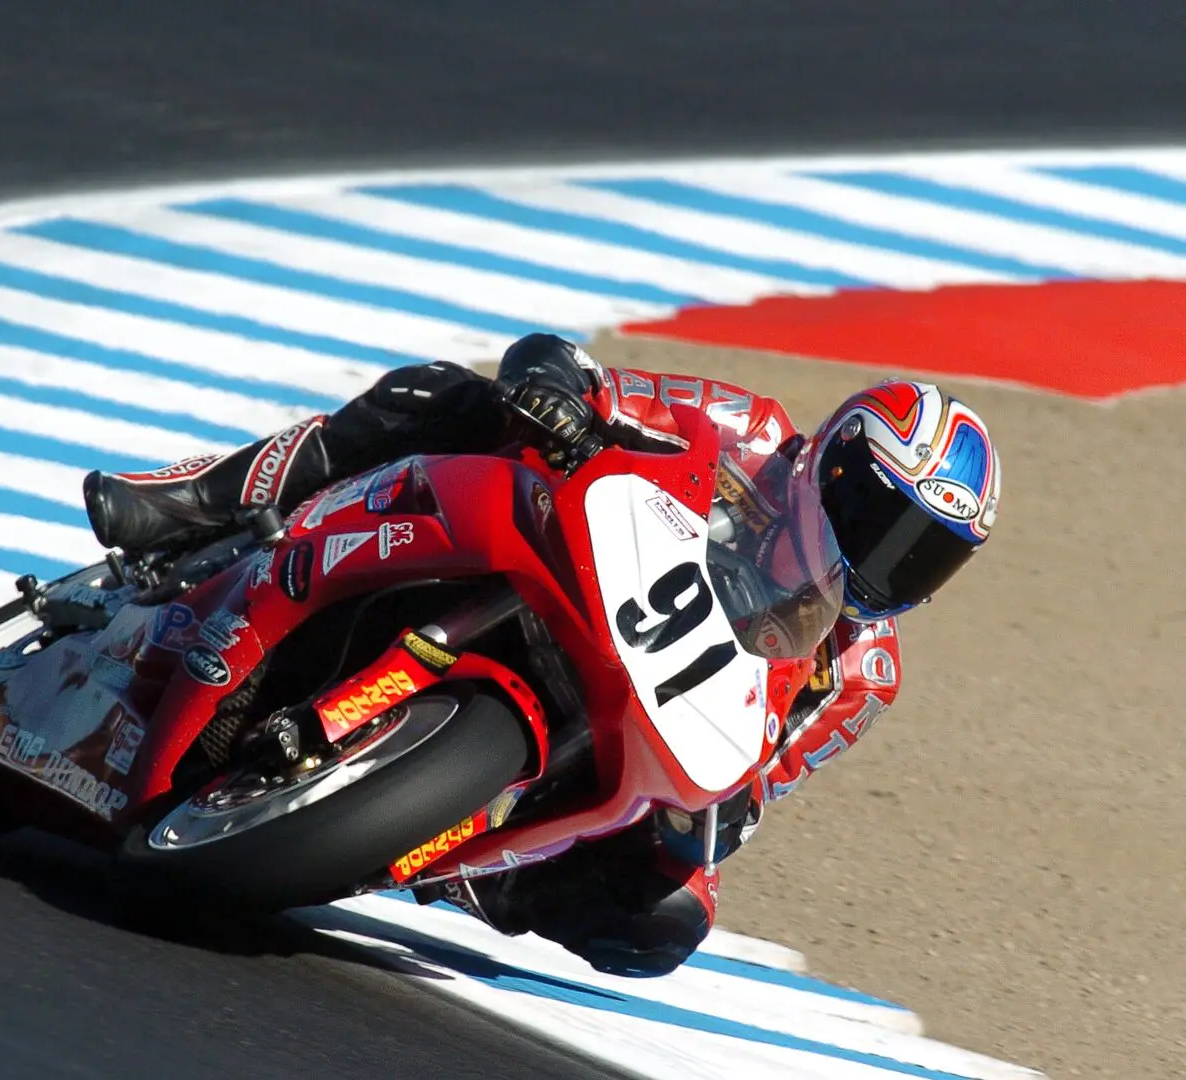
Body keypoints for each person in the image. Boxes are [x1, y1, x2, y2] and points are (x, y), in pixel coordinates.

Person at [81, 333, 1003, 977]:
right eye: (883, 524)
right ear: (833, 463)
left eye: (924, 554)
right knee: (441, 395)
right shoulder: (748, 431)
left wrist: (715, 820)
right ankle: (195, 499)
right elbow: (582, 377)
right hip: (560, 563)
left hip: (648, 716)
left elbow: (759, 783)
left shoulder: (862, 675)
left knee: (667, 921)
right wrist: (560, 397)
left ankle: (460, 852)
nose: (887, 565)